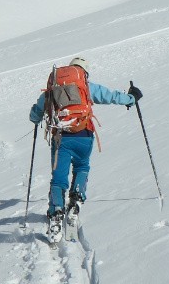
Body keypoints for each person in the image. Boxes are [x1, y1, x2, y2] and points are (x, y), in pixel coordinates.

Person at [28, 56, 142, 237]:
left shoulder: (53, 88)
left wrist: (35, 119)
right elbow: (111, 96)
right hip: (84, 135)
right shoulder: (87, 86)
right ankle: (77, 199)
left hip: (61, 138)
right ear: (83, 73)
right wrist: (131, 98)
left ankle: (56, 213)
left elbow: (35, 113)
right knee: (82, 167)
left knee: (58, 179)